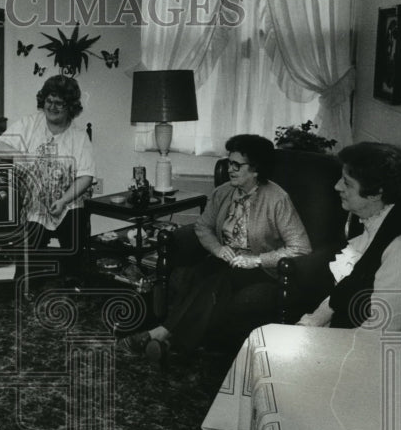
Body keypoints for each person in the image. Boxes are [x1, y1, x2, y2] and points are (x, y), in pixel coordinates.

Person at [119, 134, 311, 366]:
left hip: (258, 269)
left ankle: (159, 334)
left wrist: (257, 260)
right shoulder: (223, 192)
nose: (230, 169)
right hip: (224, 259)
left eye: (236, 165)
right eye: (229, 162)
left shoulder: (277, 199)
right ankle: (172, 346)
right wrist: (218, 249)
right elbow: (202, 226)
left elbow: (300, 248)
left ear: (256, 169)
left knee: (217, 281)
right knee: (196, 275)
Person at [296, 142, 401, 331]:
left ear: (375, 193)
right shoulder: (369, 220)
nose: (337, 186)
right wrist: (308, 324)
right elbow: (343, 291)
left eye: (347, 183)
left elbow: (382, 330)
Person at [0, 74, 95, 284]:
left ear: (71, 107)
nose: (53, 107)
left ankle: (72, 286)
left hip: (68, 203)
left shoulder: (79, 137)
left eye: (60, 103)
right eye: (49, 101)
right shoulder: (29, 124)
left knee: (74, 244)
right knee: (27, 254)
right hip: (33, 206)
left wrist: (64, 200)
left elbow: (86, 176)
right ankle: (25, 290)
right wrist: (18, 155)